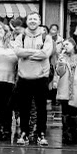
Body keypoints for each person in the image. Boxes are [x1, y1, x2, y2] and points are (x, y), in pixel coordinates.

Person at [13, 11, 53, 146]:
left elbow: (45, 54)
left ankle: (41, 134)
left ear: (39, 21)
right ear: (27, 21)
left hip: (41, 78)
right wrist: (36, 52)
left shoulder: (46, 37)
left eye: (35, 19)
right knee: (24, 108)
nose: (32, 21)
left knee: (41, 108)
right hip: (24, 77)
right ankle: (24, 133)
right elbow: (17, 52)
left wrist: (26, 54)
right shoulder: (21, 36)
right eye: (30, 19)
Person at [56, 38, 77, 145]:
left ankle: (73, 135)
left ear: (73, 45)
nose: (65, 46)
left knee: (74, 114)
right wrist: (61, 62)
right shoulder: (62, 58)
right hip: (65, 90)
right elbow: (59, 73)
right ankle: (66, 136)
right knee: (65, 113)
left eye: (67, 44)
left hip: (76, 91)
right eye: (63, 45)